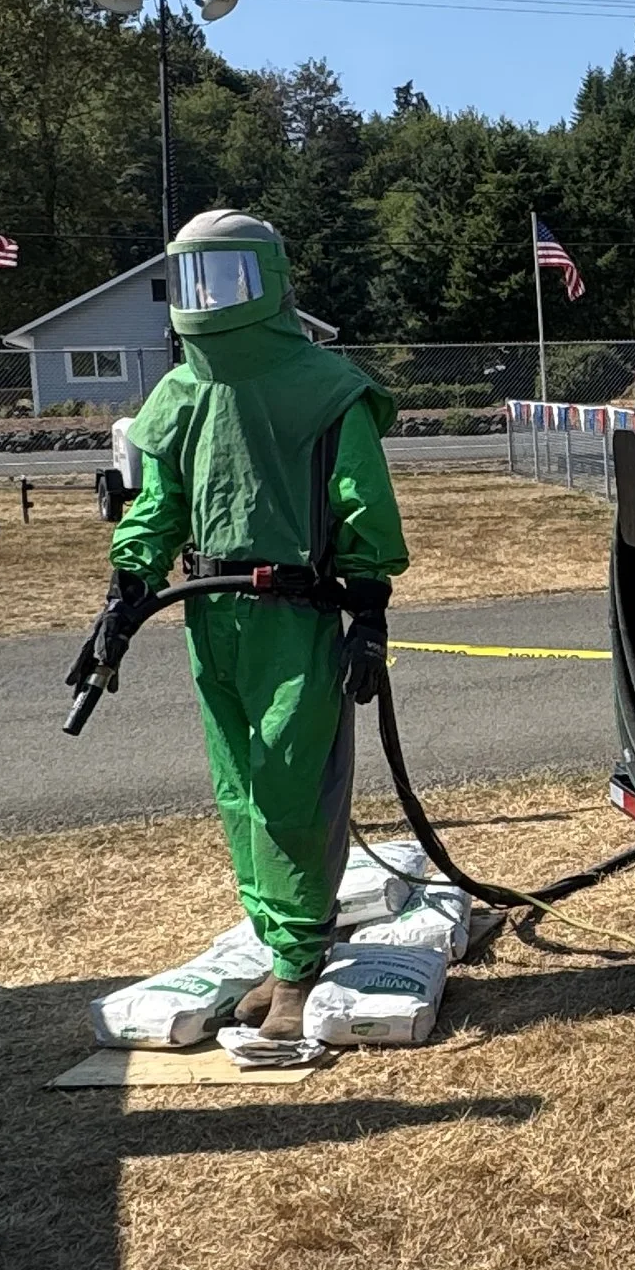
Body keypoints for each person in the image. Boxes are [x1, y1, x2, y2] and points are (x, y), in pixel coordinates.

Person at [97, 209, 408, 1041]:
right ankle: (280, 946)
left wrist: (368, 607)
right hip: (208, 616)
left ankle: (301, 962)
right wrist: (127, 586)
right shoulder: (183, 391)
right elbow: (157, 505)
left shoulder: (323, 387)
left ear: (264, 278)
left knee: (293, 786)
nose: (213, 296)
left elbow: (362, 505)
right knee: (241, 787)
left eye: (226, 275)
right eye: (200, 277)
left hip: (295, 615)